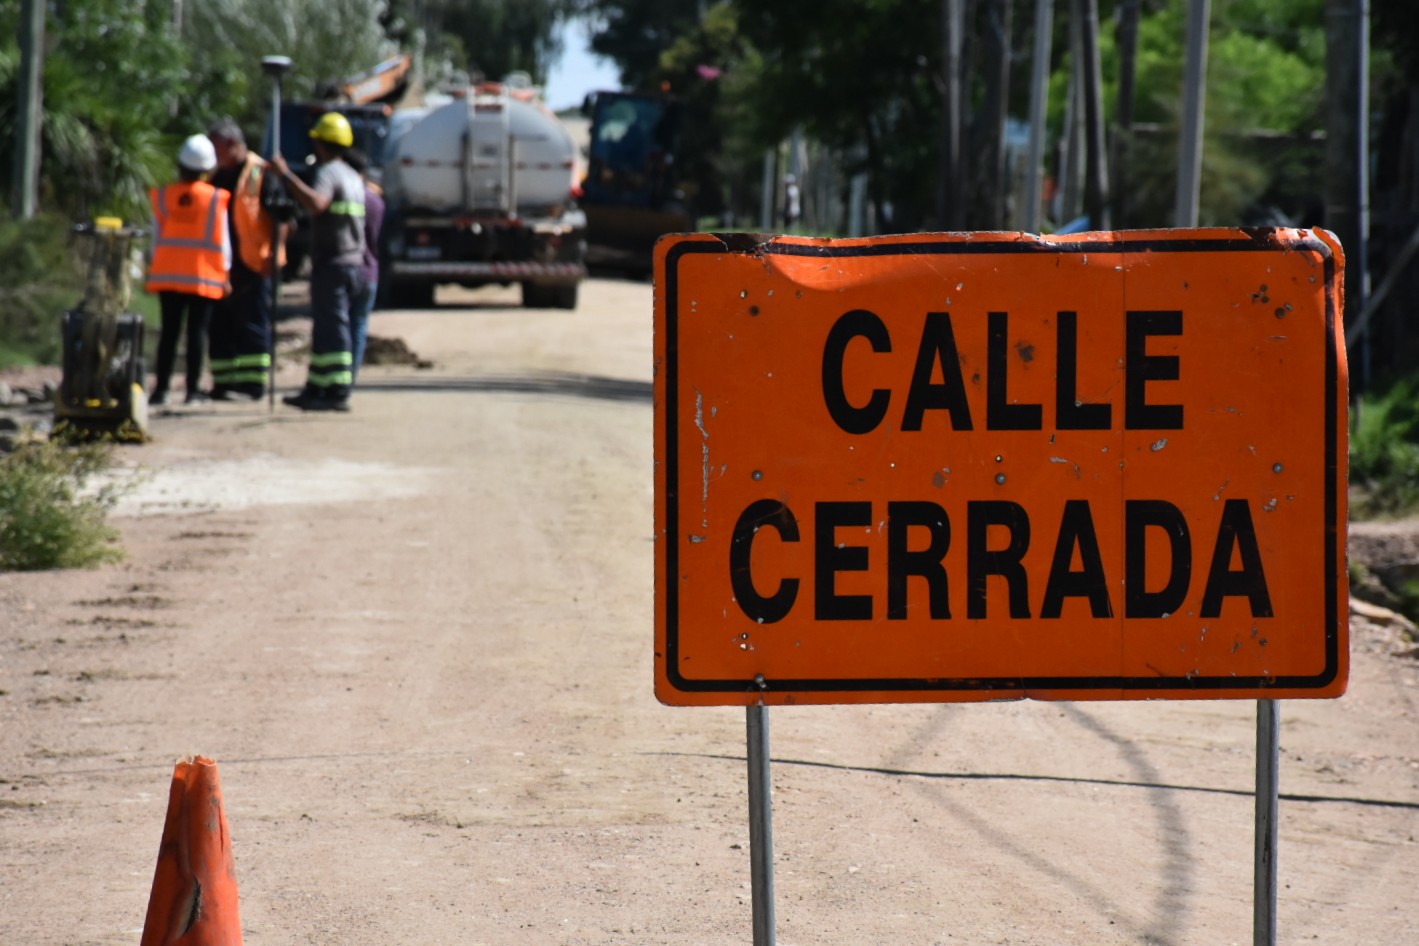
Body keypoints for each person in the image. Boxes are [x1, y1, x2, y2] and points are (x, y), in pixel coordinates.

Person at [270, 112, 367, 412]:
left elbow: (317, 203)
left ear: (321, 145)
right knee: (328, 326)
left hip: (334, 263)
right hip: (355, 263)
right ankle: (317, 387)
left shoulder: (328, 173)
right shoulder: (353, 176)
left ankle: (337, 390)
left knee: (331, 326)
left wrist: (285, 175)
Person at [205, 116, 292, 402]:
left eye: (216, 148)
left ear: (232, 144)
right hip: (221, 267)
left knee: (252, 325)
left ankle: (252, 386)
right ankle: (224, 383)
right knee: (220, 326)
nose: (213, 155)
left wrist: (273, 255)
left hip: (254, 265)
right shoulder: (215, 175)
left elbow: (285, 220)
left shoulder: (260, 173)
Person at [146, 134, 230, 406]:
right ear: (208, 169)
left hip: (168, 275)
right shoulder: (217, 198)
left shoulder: (164, 197)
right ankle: (193, 391)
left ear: (180, 166)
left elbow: (155, 239)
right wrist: (226, 273)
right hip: (203, 276)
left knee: (169, 333)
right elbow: (224, 240)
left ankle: (161, 391)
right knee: (197, 332)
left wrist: (152, 266)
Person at [343, 147, 384, 384]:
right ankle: (351, 377)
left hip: (348, 269)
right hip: (371, 272)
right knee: (358, 326)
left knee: (341, 326)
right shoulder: (376, 201)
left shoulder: (345, 195)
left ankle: (339, 377)